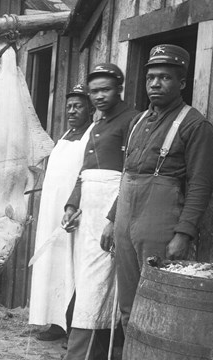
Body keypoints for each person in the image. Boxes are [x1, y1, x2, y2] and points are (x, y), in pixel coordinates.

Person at [103, 45, 213, 343]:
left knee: (158, 300)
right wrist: (112, 219)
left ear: (181, 83)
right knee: (127, 302)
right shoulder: (137, 121)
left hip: (161, 223)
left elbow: (201, 185)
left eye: (165, 77)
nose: (155, 83)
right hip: (126, 219)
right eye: (151, 77)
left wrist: (184, 234)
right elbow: (128, 175)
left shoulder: (195, 124)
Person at [61, 63, 138, 360]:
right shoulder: (97, 124)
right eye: (94, 91)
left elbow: (131, 173)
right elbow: (86, 170)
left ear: (119, 88)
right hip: (89, 209)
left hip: (113, 206)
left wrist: (113, 218)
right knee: (88, 280)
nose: (99, 96)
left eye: (105, 89)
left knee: (101, 284)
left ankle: (82, 354)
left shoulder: (131, 120)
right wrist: (73, 204)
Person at [29, 84, 94, 342]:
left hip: (74, 212)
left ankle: (73, 328)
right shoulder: (65, 134)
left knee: (72, 267)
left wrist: (75, 206)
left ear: (90, 108)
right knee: (51, 265)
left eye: (78, 106)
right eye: (69, 106)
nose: (72, 111)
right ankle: (55, 323)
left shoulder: (91, 136)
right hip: (50, 211)